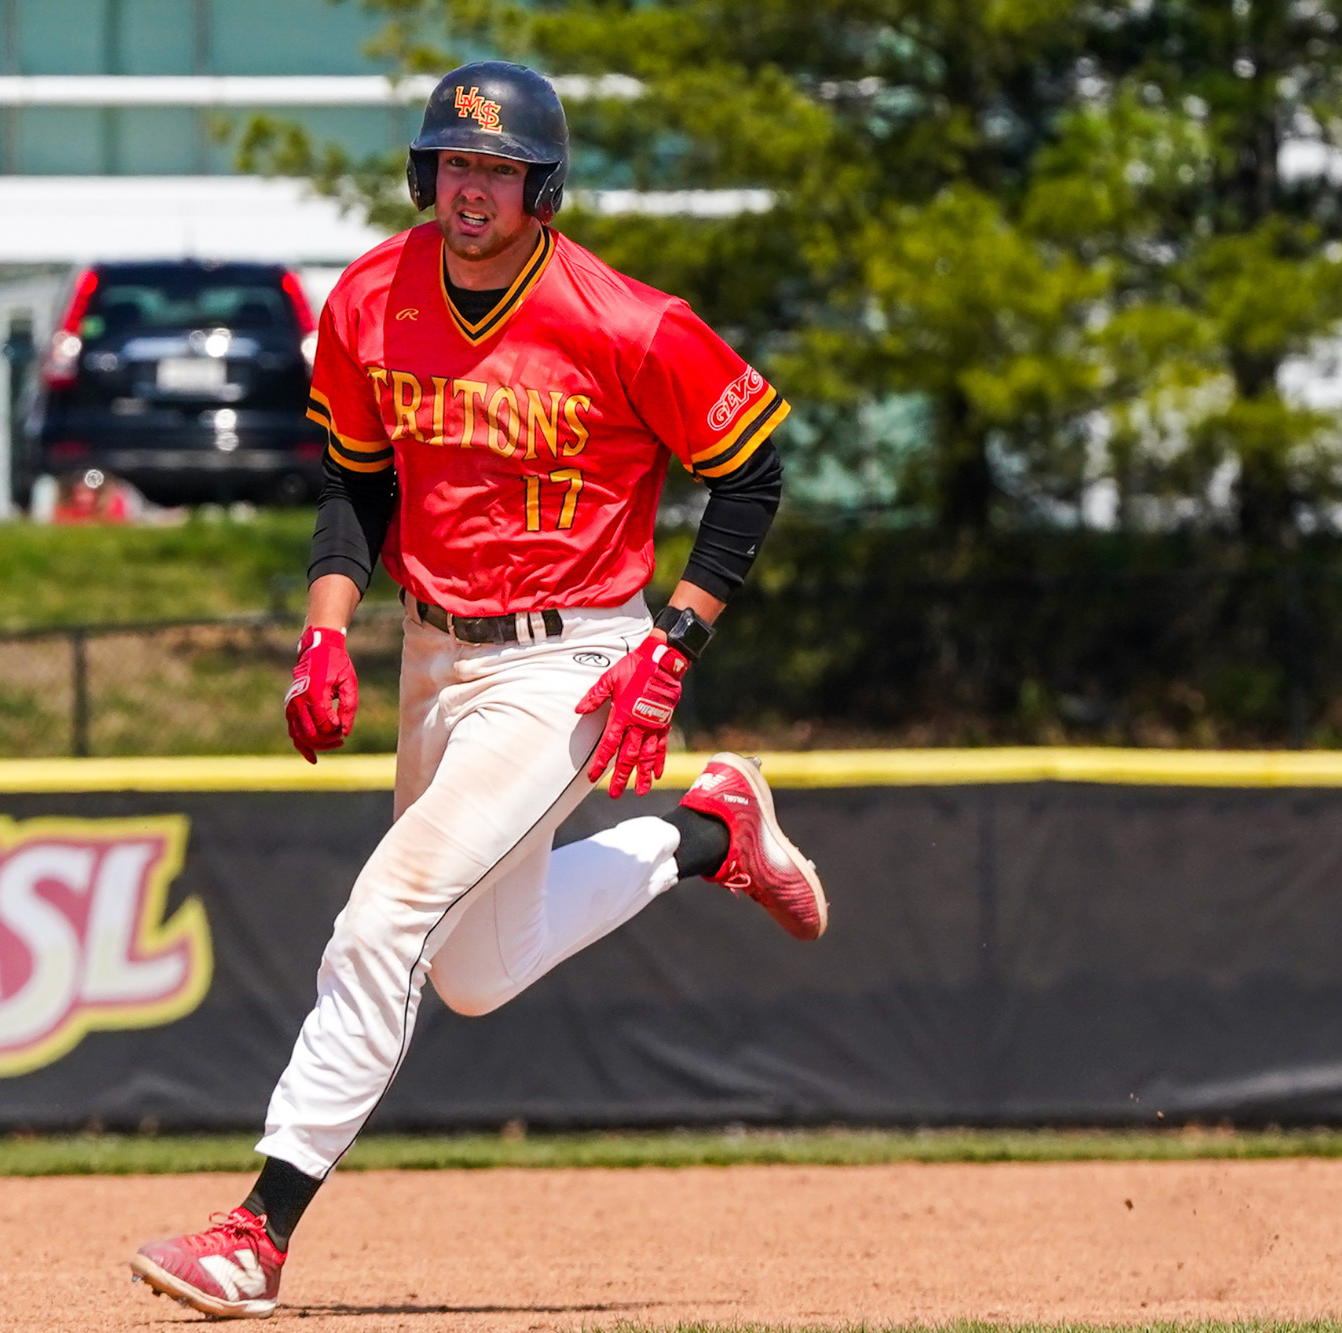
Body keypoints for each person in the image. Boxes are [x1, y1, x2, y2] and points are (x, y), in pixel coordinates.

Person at [130, 63, 827, 1320]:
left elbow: (752, 473)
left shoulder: (624, 320)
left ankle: (256, 1229)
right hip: (434, 647)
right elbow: (353, 481)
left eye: (495, 169)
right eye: (453, 162)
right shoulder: (367, 300)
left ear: (539, 187)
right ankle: (709, 829)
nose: (469, 187)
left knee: (386, 914)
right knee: (471, 970)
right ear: (423, 172)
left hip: (571, 655)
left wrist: (672, 643)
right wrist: (324, 632)